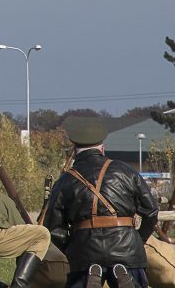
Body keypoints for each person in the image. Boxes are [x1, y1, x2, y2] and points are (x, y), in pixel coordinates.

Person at [42, 118, 158, 288]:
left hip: (84, 250)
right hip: (127, 247)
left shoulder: (65, 181)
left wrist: (72, 249)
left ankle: (92, 274)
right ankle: (122, 274)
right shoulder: (126, 170)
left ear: (74, 151)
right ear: (102, 148)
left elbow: (54, 227)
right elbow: (151, 211)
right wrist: (137, 241)